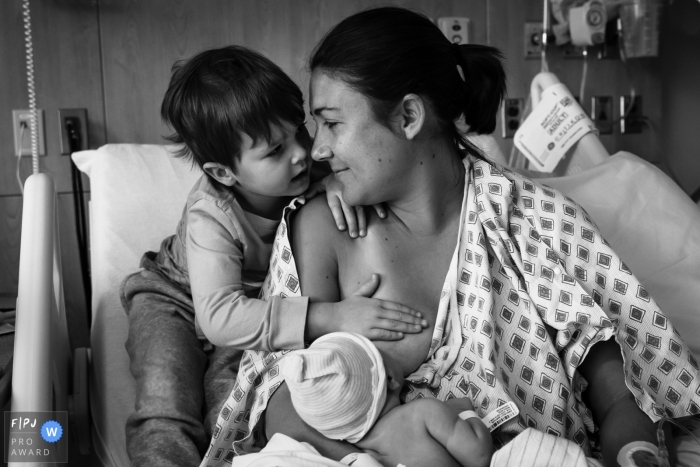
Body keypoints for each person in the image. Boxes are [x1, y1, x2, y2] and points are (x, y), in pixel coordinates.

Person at [203, 7, 700, 467]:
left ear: (409, 117)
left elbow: (622, 398)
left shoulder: (533, 221)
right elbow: (276, 403)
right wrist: (382, 439)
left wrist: (636, 452)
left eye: (331, 123)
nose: (318, 150)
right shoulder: (320, 228)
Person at [120, 45, 429, 467]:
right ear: (223, 173)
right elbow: (220, 317)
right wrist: (328, 316)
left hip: (261, 309)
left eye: (298, 133)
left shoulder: (314, 171)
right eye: (274, 151)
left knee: (234, 409)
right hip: (178, 297)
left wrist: (341, 185)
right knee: (165, 402)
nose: (303, 153)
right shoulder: (210, 215)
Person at [281, 332, 493, 467]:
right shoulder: (424, 413)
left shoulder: (365, 457)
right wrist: (465, 412)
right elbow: (480, 456)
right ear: (390, 378)